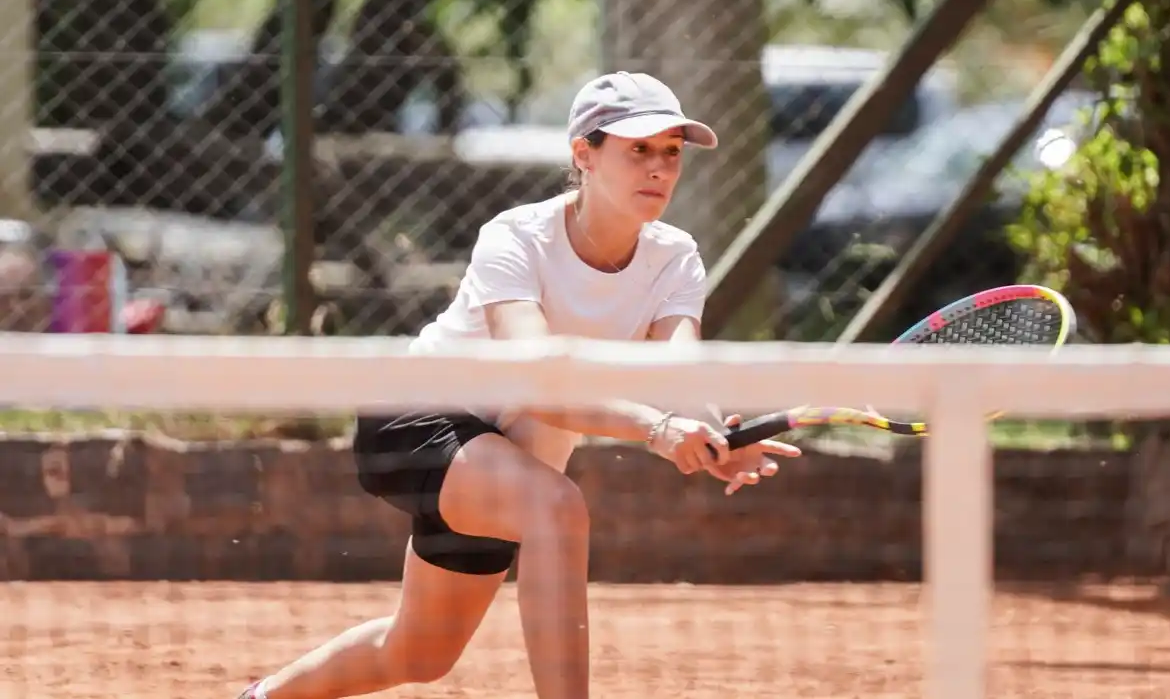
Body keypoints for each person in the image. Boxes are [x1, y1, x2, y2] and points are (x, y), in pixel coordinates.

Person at [237, 72, 802, 699]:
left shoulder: (675, 256)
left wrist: (714, 432)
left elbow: (676, 371)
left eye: (671, 151)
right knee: (557, 509)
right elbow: (535, 380)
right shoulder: (515, 237)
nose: (659, 168)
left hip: (515, 454)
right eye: (637, 149)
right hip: (419, 417)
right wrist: (656, 429)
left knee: (419, 652)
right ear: (583, 154)